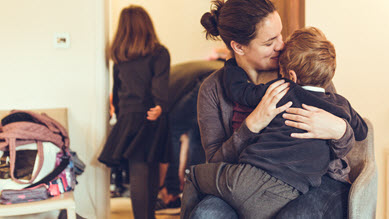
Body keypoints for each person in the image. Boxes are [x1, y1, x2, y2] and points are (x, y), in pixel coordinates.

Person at [185, 0, 358, 218]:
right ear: (238, 46)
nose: (281, 46)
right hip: (248, 183)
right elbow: (215, 162)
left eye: (280, 35)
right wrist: (251, 126)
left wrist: (339, 130)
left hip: (315, 180)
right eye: (269, 42)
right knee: (205, 215)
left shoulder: (300, 68)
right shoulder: (212, 89)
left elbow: (350, 138)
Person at [97, 5, 171, 219]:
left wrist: (119, 115)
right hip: (151, 114)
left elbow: (117, 92)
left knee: (138, 170)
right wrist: (159, 108)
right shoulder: (159, 53)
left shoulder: (120, 58)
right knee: (151, 167)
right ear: (146, 26)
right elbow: (160, 86)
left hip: (129, 118)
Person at [155, 60, 223, 214]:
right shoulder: (174, 79)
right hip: (219, 80)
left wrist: (163, 185)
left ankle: (171, 193)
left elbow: (169, 137)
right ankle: (194, 192)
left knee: (171, 132)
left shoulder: (156, 90)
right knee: (198, 138)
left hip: (204, 82)